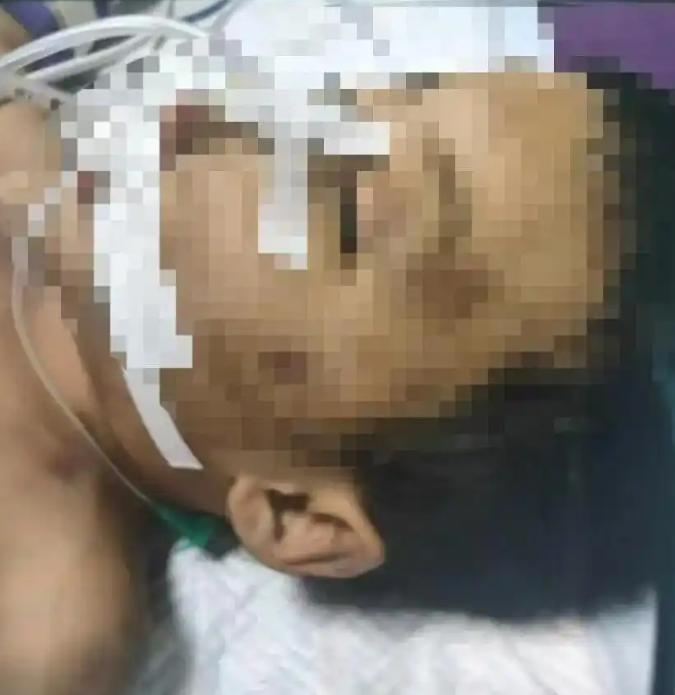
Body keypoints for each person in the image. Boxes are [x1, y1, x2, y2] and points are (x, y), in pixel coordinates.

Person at [0, 2, 673, 694]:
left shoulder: (40, 626)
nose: (229, 110)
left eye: (346, 210)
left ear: (297, 514)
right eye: (336, 103)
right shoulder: (26, 126)